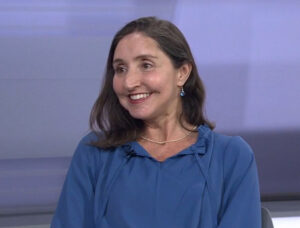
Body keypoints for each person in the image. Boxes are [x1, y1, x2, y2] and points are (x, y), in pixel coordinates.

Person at [50, 17, 261, 228]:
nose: (129, 82)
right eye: (120, 69)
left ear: (182, 73)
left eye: (146, 65)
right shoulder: (94, 154)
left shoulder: (231, 157)